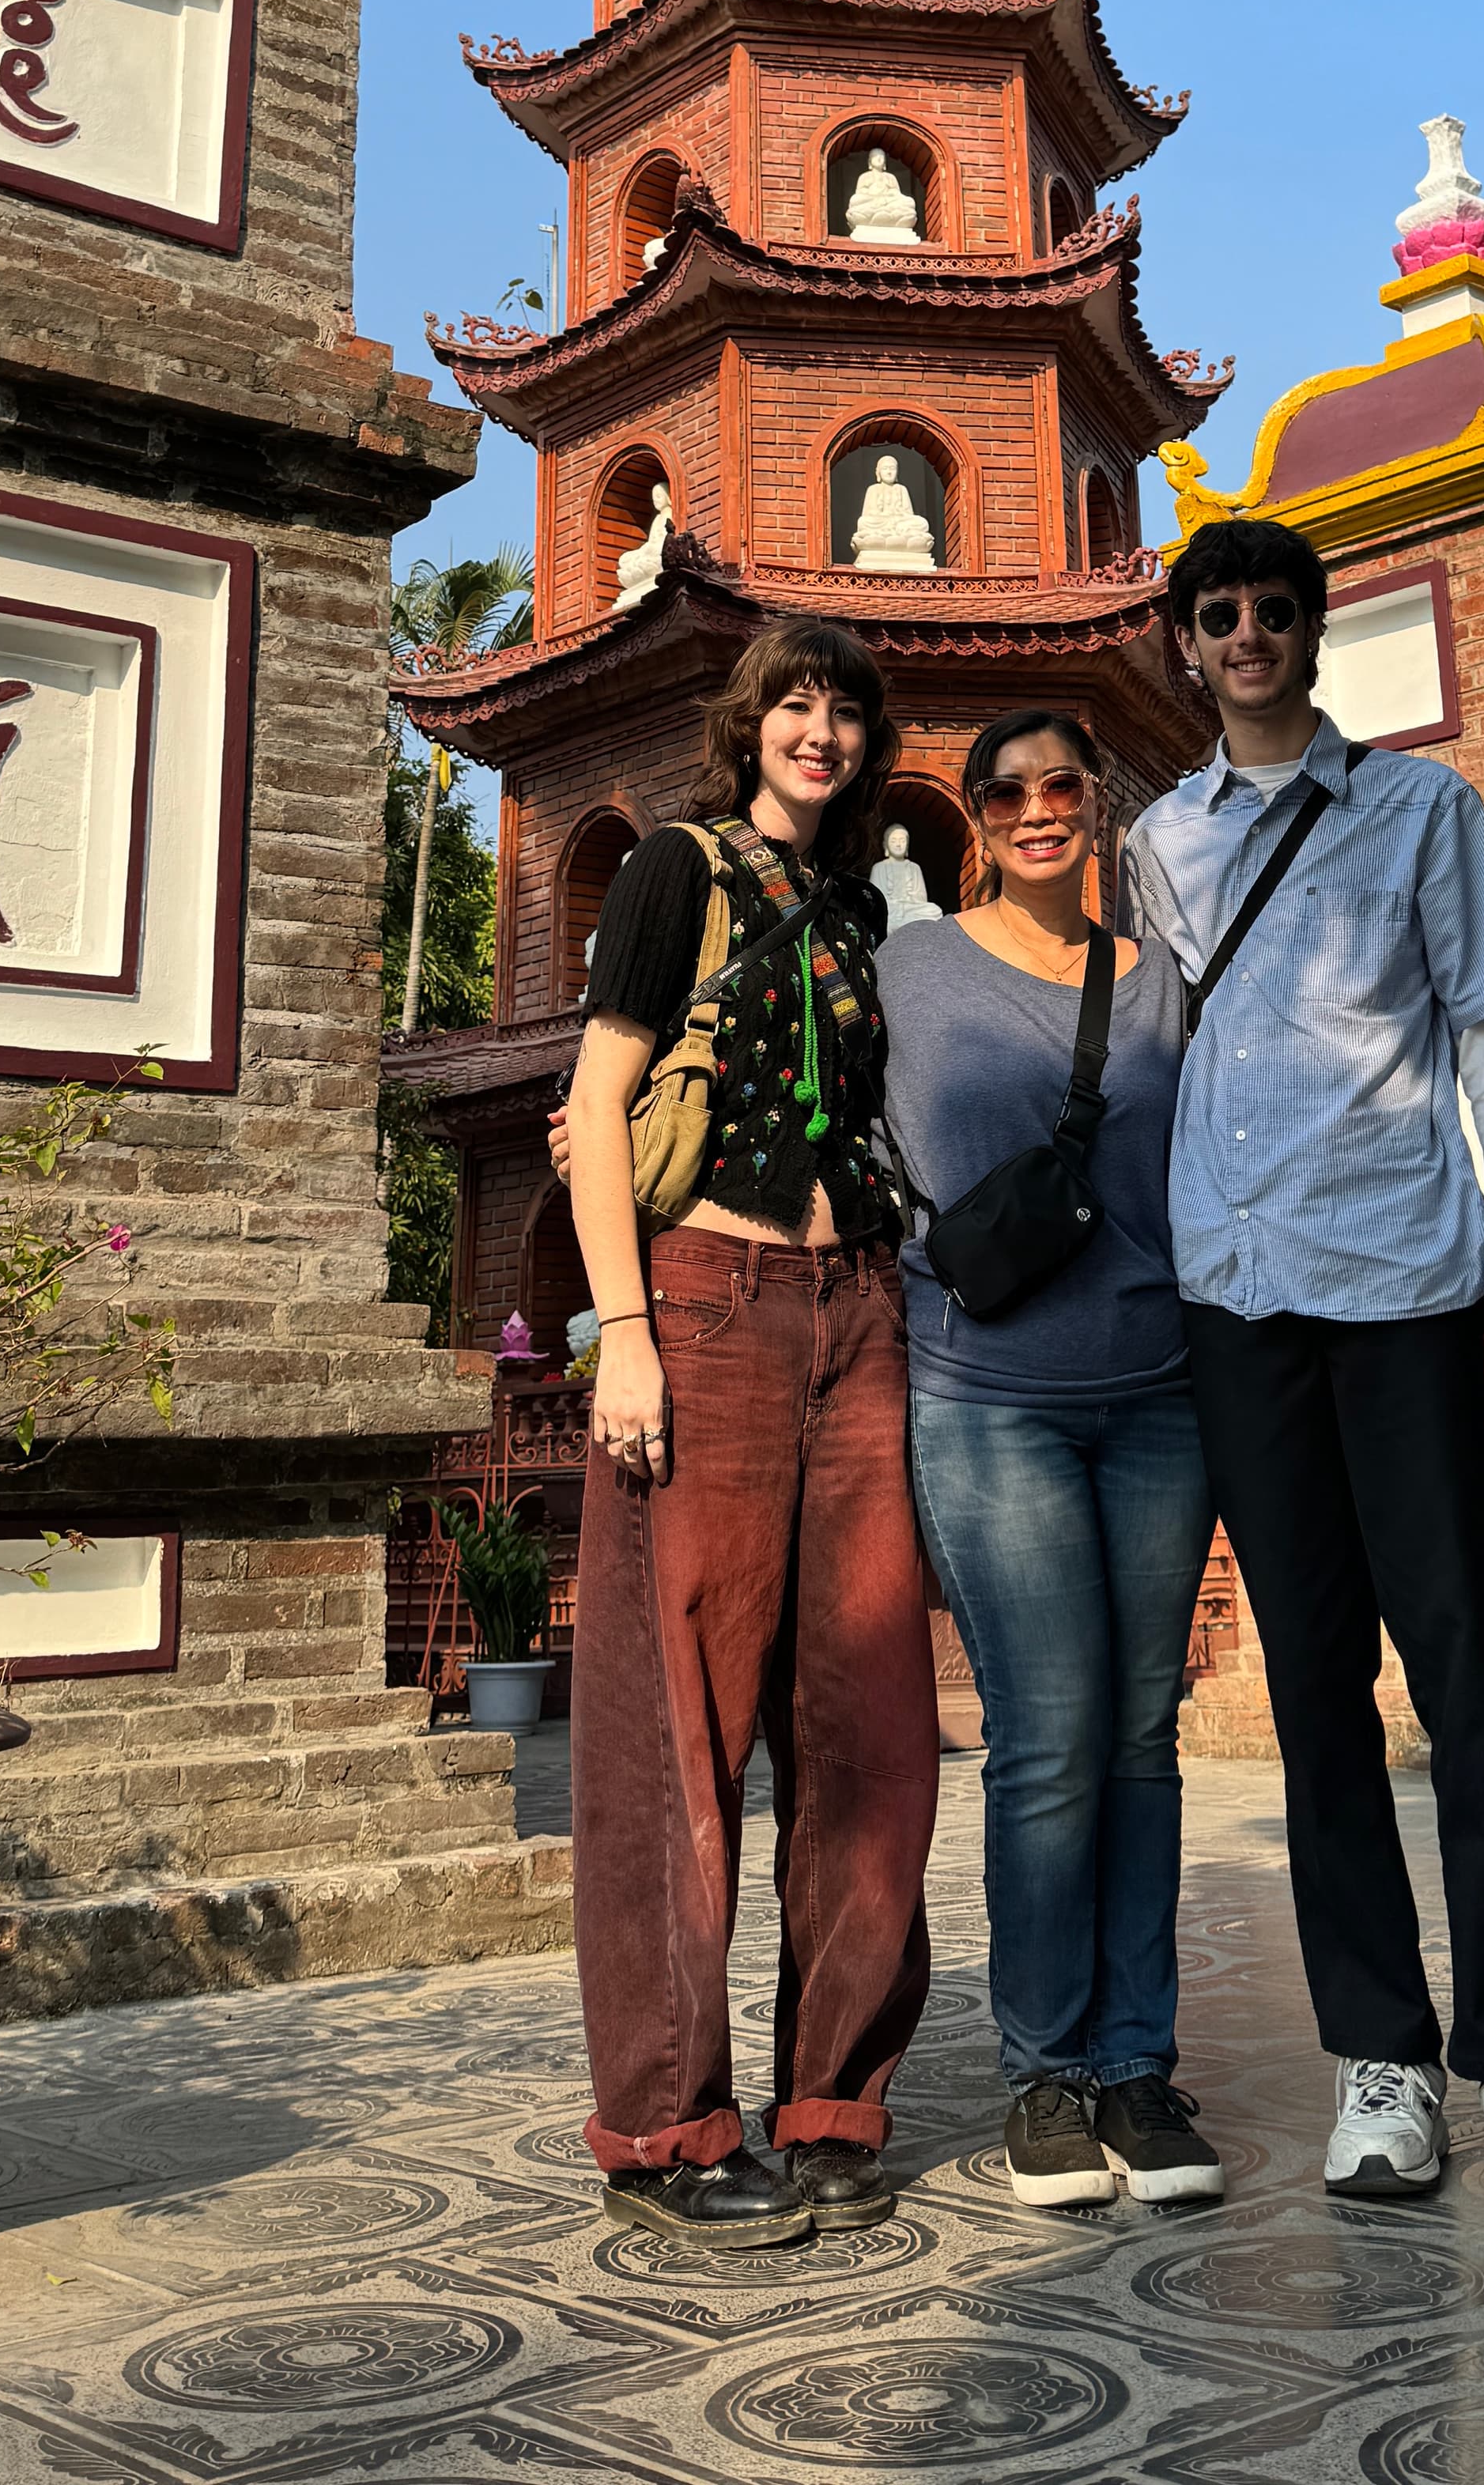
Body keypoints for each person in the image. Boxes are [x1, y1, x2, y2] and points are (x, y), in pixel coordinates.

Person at [1126, 516, 1484, 2228]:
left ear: (1314, 633)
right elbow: (1161, 1066)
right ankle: (1382, 2062)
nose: (1248, 633)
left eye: (1273, 609)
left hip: (1408, 1285)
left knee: (1464, 1670)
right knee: (1315, 1689)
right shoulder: (1160, 840)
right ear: (1187, 643)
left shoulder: (1426, 809)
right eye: (1219, 613)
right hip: (1239, 1295)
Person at [558, 617, 938, 2249]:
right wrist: (624, 1335)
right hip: (702, 1301)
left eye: (848, 708)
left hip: (858, 1310)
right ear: (749, 723)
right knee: (680, 1725)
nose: (823, 731)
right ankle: (667, 2122)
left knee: (868, 1720)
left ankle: (834, 2096)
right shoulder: (671, 871)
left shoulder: (862, 909)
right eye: (795, 702)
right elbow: (595, 1109)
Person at [882, 710, 1224, 2215]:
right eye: (1008, 790)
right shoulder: (911, 966)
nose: (1038, 809)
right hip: (987, 1387)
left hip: (1160, 1388)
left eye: (1063, 786)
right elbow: (796, 1101)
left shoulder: (1160, 989)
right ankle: (1045, 2070)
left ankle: (1138, 2064)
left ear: (1100, 808)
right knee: (1047, 1732)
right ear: (974, 815)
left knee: (1142, 1734)